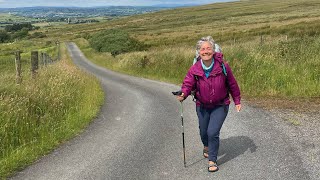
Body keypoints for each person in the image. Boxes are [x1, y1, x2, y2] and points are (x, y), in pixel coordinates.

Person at [175, 36, 241, 172]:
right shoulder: (195, 68)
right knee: (204, 131)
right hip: (202, 105)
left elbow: (232, 84)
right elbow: (188, 84)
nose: (206, 51)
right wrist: (183, 94)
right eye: (203, 49)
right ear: (199, 52)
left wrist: (237, 100)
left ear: (213, 51)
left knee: (212, 132)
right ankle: (206, 145)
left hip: (220, 105)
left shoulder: (222, 66)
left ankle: (212, 160)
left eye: (208, 48)